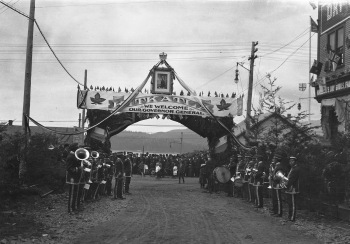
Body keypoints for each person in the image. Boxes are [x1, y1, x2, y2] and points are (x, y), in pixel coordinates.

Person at [66, 143, 83, 213]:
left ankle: (74, 207)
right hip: (72, 178)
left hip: (75, 178)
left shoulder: (74, 156)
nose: (78, 149)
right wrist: (78, 168)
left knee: (75, 193)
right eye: (77, 148)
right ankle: (70, 210)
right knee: (72, 194)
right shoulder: (70, 156)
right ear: (74, 149)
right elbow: (69, 168)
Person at [284, 156, 300, 221]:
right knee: (290, 203)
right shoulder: (292, 168)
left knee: (293, 203)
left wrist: (286, 184)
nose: (290, 162)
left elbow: (292, 180)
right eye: (290, 161)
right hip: (290, 187)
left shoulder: (296, 169)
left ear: (295, 161)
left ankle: (292, 217)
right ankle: (290, 216)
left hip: (293, 188)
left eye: (292, 161)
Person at [272, 153, 285, 217]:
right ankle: (275, 211)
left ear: (277, 159)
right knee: (275, 198)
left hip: (278, 184)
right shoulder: (276, 166)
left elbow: (280, 176)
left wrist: (274, 177)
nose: (273, 159)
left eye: (274, 158)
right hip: (274, 184)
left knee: (278, 199)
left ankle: (279, 212)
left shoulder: (280, 167)